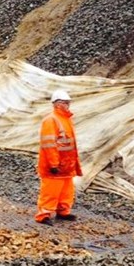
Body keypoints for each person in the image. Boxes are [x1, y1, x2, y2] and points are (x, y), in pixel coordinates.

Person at [35, 90, 82, 225]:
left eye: (68, 102)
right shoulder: (51, 120)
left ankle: (63, 211)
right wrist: (53, 164)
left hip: (67, 164)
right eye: (64, 102)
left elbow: (69, 143)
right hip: (55, 165)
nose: (67, 105)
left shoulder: (66, 119)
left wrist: (73, 163)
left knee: (66, 190)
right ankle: (43, 215)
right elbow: (49, 144)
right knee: (50, 191)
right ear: (56, 103)